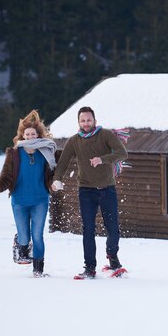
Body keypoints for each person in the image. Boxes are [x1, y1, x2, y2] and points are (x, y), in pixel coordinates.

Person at [51, 106, 128, 279]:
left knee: (113, 228)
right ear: (78, 122)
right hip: (86, 191)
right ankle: (89, 267)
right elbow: (63, 163)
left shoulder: (106, 135)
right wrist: (58, 179)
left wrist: (103, 159)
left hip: (107, 189)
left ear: (95, 120)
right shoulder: (74, 141)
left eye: (89, 120)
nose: (86, 123)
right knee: (88, 230)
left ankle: (112, 257)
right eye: (82, 120)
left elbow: (123, 153)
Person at [0, 110, 58, 278]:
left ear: (38, 135)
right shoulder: (14, 153)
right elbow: (6, 178)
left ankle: (38, 270)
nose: (30, 137)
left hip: (40, 201)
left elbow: (52, 176)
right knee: (25, 236)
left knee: (37, 235)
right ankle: (20, 243)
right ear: (22, 135)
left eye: (33, 134)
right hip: (19, 201)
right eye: (27, 134)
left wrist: (54, 185)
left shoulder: (46, 152)